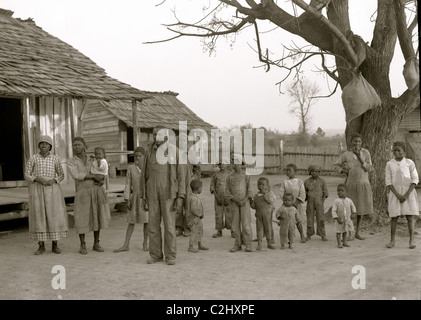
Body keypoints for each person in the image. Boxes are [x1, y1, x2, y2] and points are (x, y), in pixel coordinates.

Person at [141, 127, 188, 265]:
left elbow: (181, 176)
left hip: (169, 194)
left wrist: (180, 196)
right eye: (154, 135)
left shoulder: (176, 152)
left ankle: (170, 256)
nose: (156, 137)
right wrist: (142, 196)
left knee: (169, 226)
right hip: (152, 193)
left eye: (159, 135)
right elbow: (143, 175)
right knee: (153, 225)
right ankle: (155, 255)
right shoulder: (149, 152)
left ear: (167, 137)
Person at [67, 137, 111, 255]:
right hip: (82, 191)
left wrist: (102, 179)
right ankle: (82, 245)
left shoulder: (93, 158)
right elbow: (77, 174)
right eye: (74, 145)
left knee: (97, 215)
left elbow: (102, 169)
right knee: (81, 217)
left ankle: (96, 243)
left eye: (78, 144)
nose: (76, 147)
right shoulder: (71, 161)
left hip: (96, 189)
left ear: (84, 146)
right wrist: (93, 176)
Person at [25, 135, 68, 255]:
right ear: (39, 146)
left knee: (53, 215)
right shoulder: (33, 158)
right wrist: (36, 178)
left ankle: (55, 244)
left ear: (50, 146)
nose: (44, 145)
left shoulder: (55, 159)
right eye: (42, 143)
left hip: (52, 190)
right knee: (39, 215)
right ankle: (41, 245)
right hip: (37, 189)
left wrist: (54, 180)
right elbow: (27, 174)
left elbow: (61, 174)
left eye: (46, 144)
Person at [334, 133, 373, 240]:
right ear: (351, 142)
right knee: (348, 209)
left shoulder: (365, 153)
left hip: (363, 184)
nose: (357, 143)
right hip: (350, 185)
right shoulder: (346, 154)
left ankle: (358, 232)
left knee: (360, 210)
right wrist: (343, 170)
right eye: (355, 141)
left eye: (359, 141)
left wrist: (360, 157)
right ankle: (348, 232)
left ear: (362, 143)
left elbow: (369, 168)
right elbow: (336, 165)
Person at [114, 147, 149, 253]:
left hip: (146, 198)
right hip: (134, 198)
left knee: (147, 221)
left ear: (144, 157)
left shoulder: (148, 168)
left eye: (140, 156)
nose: (137, 158)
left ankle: (145, 244)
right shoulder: (131, 168)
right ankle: (126, 244)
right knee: (131, 221)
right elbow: (128, 183)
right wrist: (127, 198)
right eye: (136, 156)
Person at [385, 141, 419, 249]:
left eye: (399, 150)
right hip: (395, 193)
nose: (396, 152)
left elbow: (415, 179)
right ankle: (392, 240)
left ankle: (411, 240)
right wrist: (398, 195)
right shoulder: (389, 164)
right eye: (394, 150)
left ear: (404, 151)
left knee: (410, 217)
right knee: (394, 217)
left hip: (408, 193)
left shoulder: (410, 163)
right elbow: (388, 181)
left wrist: (406, 194)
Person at [225, 155, 253, 252]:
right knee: (235, 224)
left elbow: (249, 190)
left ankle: (248, 244)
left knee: (246, 224)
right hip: (234, 203)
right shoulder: (229, 177)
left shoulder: (246, 176)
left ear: (242, 164)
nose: (236, 165)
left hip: (245, 203)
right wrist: (235, 200)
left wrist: (244, 200)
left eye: (238, 163)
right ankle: (237, 243)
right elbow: (227, 191)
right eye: (234, 163)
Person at [279, 163, 306, 243]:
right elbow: (281, 193)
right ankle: (288, 238)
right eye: (286, 170)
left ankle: (302, 235)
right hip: (286, 204)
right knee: (286, 221)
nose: (288, 172)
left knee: (299, 220)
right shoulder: (284, 182)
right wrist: (287, 202)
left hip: (297, 205)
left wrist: (296, 203)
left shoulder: (300, 182)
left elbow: (302, 193)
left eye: (290, 170)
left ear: (295, 171)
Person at [250, 177, 276, 250]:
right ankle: (259, 243)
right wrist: (250, 202)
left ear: (267, 186)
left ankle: (269, 243)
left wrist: (265, 194)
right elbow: (254, 206)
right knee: (259, 229)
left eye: (263, 185)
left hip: (267, 216)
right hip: (259, 216)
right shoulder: (256, 196)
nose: (260, 186)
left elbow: (271, 201)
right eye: (259, 184)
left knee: (268, 229)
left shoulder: (270, 194)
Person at [304, 165, 328, 241]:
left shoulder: (322, 181)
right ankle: (309, 234)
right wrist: (306, 199)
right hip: (310, 203)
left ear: (319, 172)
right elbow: (304, 192)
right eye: (312, 171)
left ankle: (322, 235)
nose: (314, 173)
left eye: (316, 171)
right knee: (309, 219)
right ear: (310, 172)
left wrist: (322, 202)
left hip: (319, 203)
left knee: (320, 218)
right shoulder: (307, 181)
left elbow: (325, 193)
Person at [210, 162, 233, 238]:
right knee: (218, 215)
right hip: (218, 198)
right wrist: (216, 197)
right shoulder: (215, 174)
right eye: (220, 164)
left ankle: (233, 231)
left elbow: (233, 188)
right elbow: (212, 185)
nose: (222, 165)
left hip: (228, 199)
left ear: (227, 164)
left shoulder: (231, 174)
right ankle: (219, 231)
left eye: (223, 163)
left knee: (230, 215)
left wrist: (229, 197)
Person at [187, 179, 209, 253]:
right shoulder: (193, 198)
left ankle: (199, 244)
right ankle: (191, 246)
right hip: (194, 219)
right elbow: (193, 209)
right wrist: (200, 214)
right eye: (201, 188)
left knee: (200, 231)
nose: (201, 189)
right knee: (193, 232)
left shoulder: (194, 197)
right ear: (197, 189)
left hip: (198, 219)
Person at [331, 184, 356, 248]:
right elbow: (333, 210)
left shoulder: (349, 200)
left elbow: (353, 207)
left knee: (345, 230)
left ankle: (344, 242)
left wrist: (353, 213)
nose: (340, 192)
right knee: (338, 231)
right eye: (338, 190)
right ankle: (339, 243)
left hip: (347, 219)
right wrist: (337, 218)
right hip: (339, 220)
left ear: (346, 192)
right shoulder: (336, 201)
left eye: (342, 190)